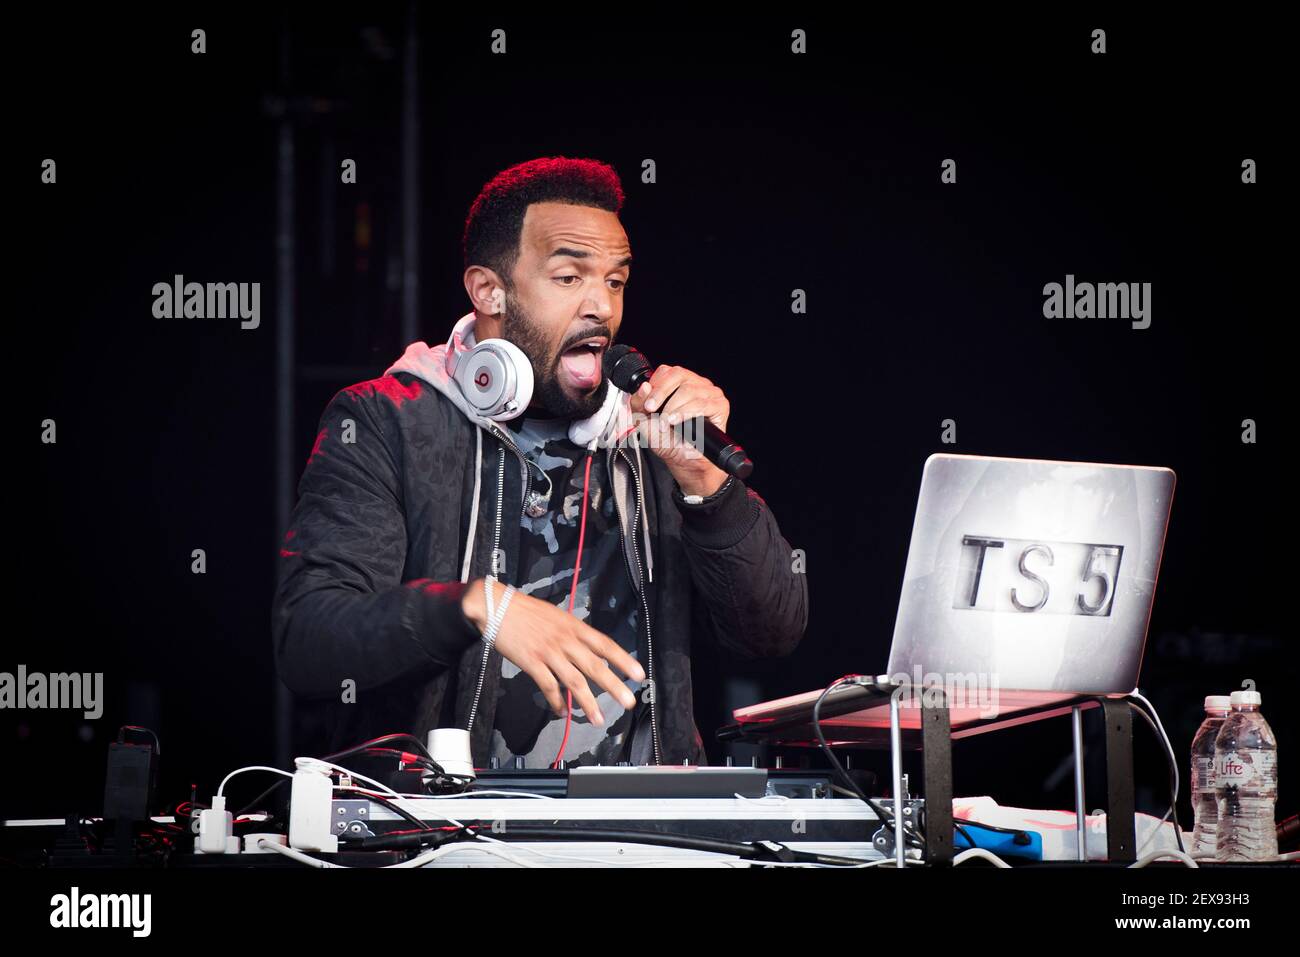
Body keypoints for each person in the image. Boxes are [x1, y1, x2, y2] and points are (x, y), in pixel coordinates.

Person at [272, 156, 807, 768]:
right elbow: (310, 639)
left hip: (646, 836)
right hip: (451, 831)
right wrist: (476, 606)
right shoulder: (388, 422)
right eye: (568, 277)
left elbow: (771, 634)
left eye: (614, 281)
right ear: (487, 291)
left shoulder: (652, 431)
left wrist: (706, 488)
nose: (601, 307)